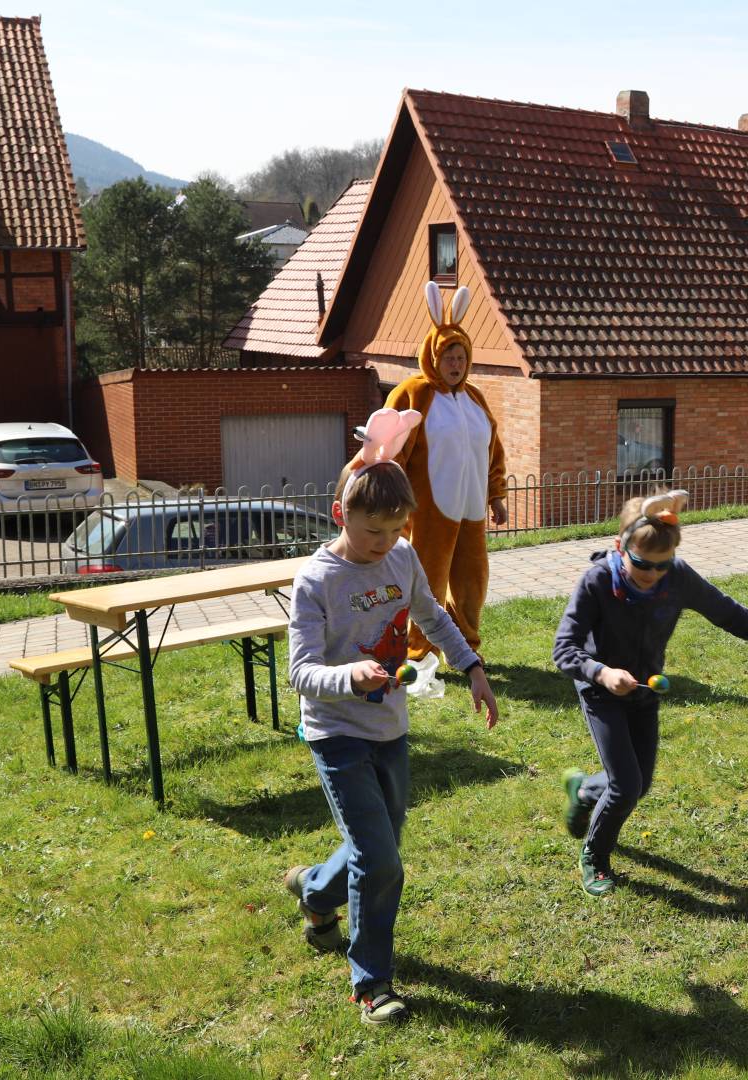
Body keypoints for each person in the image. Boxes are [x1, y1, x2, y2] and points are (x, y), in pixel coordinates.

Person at [284, 408, 500, 1025]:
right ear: (339, 515)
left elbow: (432, 617)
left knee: (373, 849)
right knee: (380, 861)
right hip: (337, 734)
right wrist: (348, 676)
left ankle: (315, 891)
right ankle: (371, 980)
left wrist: (473, 667)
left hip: (391, 732)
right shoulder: (315, 582)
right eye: (371, 530)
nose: (384, 543)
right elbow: (300, 673)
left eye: (395, 529)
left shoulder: (402, 559)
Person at [552, 489, 748, 896]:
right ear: (620, 548)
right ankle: (595, 857)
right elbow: (564, 648)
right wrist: (600, 673)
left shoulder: (676, 578)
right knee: (625, 787)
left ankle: (584, 791)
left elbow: (725, 610)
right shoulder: (597, 581)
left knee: (640, 783)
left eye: (662, 565)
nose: (652, 574)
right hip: (602, 693)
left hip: (644, 691)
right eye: (641, 564)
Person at [384, 281, 508, 661]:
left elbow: (493, 450)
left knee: (473, 583)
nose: (455, 366)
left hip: (470, 509)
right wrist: (391, 504)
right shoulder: (412, 393)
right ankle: (419, 651)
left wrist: (496, 496)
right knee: (428, 585)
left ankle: (464, 646)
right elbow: (391, 449)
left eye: (460, 358)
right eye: (448, 358)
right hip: (428, 512)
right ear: (432, 357)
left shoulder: (475, 398)